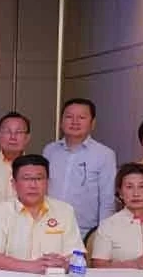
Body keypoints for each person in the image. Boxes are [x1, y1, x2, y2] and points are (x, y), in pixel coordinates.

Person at [0, 154, 85, 273]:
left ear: (47, 183)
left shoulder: (65, 211)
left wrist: (64, 264)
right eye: (26, 178)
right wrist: (32, 267)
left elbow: (76, 255)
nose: (33, 185)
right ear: (14, 184)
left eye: (39, 179)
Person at [43, 97, 117, 238]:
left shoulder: (105, 154)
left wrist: (102, 236)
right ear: (61, 121)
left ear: (92, 123)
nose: (75, 122)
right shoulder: (50, 150)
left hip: (84, 231)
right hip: (49, 227)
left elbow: (107, 200)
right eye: (69, 117)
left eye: (81, 117)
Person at [0, 111, 32, 211]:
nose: (13, 137)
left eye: (19, 132)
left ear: (27, 138)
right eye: (7, 131)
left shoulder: (34, 167)